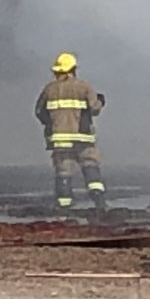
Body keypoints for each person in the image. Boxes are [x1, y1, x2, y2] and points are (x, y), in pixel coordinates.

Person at [34, 52, 106, 215]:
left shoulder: (49, 89)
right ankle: (99, 203)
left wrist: (52, 125)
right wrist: (101, 101)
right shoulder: (83, 87)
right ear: (73, 69)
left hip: (59, 140)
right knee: (90, 165)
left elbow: (39, 112)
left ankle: (64, 207)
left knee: (63, 171)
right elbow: (94, 109)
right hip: (83, 138)